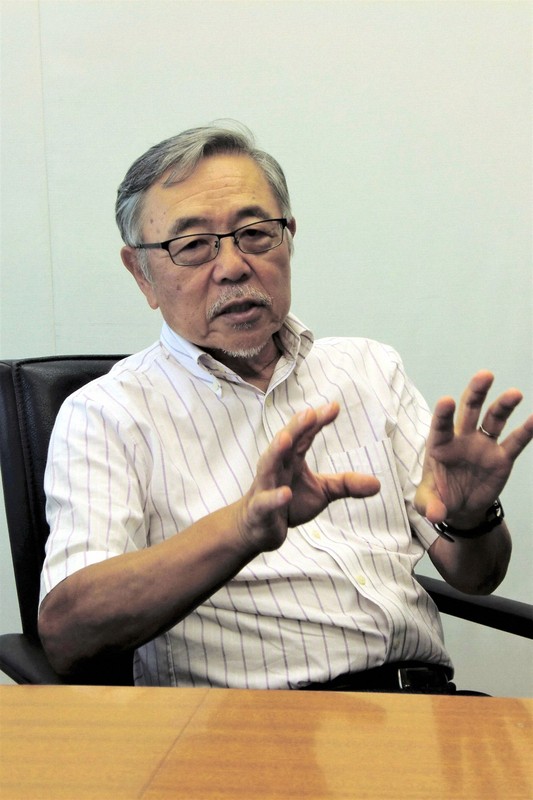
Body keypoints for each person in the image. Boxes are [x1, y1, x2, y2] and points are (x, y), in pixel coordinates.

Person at [38, 123, 533, 693]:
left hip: (423, 708)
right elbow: (68, 636)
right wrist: (243, 527)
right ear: (142, 273)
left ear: (289, 238)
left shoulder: (369, 370)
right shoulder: (107, 413)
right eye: (192, 245)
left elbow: (478, 576)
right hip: (249, 730)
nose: (231, 266)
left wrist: (470, 520)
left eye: (255, 234)